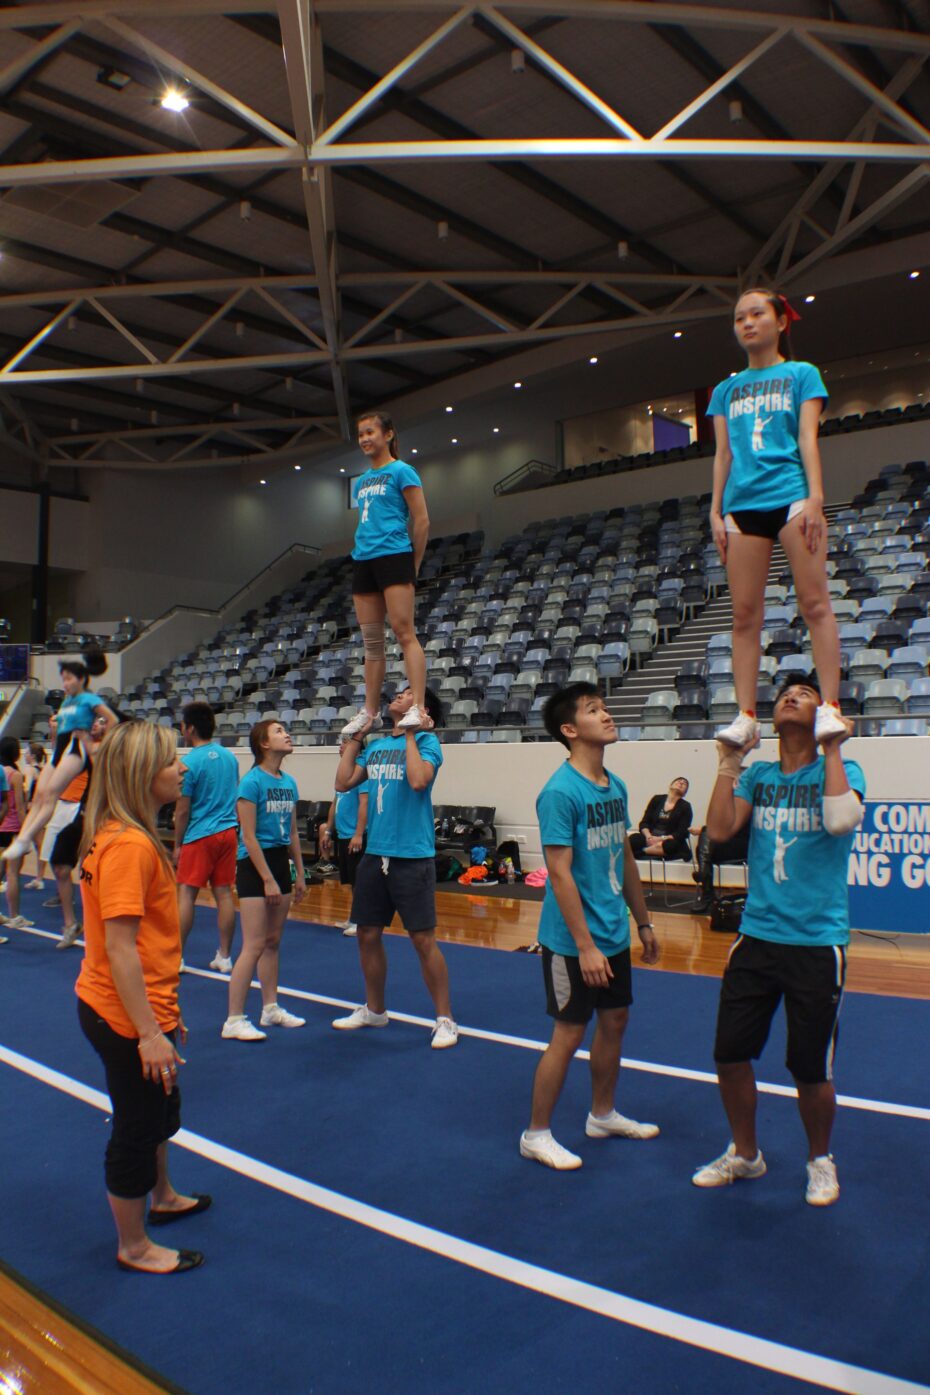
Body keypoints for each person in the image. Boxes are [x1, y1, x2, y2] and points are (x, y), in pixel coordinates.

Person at [692, 673, 865, 1207]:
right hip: (757, 937)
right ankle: (746, 1153)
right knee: (729, 1053)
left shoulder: (844, 769)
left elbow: (840, 822)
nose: (791, 696)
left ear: (822, 713)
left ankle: (820, 1160)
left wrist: (831, 743)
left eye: (805, 694)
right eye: (785, 693)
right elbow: (718, 831)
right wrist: (728, 761)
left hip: (816, 943)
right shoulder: (760, 775)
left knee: (810, 1068)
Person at [76, 721, 208, 1275]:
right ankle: (134, 1245)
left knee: (158, 1110)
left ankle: (164, 1195)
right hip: (123, 1012)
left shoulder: (122, 833)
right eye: (171, 762)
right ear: (140, 774)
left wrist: (163, 1016)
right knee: (137, 1124)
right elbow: (122, 949)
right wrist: (149, 1032)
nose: (183, 769)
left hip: (138, 1004)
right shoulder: (129, 844)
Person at [519, 683, 661, 1171]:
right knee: (569, 1033)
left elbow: (622, 858)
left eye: (604, 707)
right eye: (594, 710)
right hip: (571, 942)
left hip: (613, 932)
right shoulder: (559, 793)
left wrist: (641, 923)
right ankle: (536, 1134)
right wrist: (584, 946)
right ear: (569, 729)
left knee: (616, 1021)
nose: (607, 715)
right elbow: (558, 873)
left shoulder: (615, 786)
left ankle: (602, 1114)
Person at [708, 288, 846, 750]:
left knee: (815, 603)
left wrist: (815, 498)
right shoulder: (725, 390)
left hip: (790, 496)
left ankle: (830, 706)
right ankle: (746, 715)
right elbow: (723, 454)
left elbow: (808, 438)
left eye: (756, 314)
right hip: (740, 506)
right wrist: (715, 509)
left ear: (780, 321)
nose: (746, 323)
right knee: (744, 615)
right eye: (738, 317)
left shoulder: (802, 374)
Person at [331, 686, 458, 1048]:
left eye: (407, 695)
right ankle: (375, 1009)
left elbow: (419, 781)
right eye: (400, 693)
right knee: (367, 935)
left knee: (422, 939)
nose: (398, 696)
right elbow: (342, 782)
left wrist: (415, 733)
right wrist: (357, 738)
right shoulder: (375, 747)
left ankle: (445, 1018)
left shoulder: (429, 744)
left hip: (412, 856)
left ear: (422, 709)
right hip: (376, 854)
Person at [341, 411, 431, 739]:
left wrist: (414, 564)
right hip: (363, 559)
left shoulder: (402, 470)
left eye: (370, 432)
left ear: (388, 434)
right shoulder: (363, 481)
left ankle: (417, 706)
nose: (364, 438)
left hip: (394, 555)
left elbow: (422, 521)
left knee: (404, 631)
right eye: (360, 434)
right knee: (372, 641)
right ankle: (370, 713)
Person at [222, 720, 306, 1042]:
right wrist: (267, 879)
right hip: (254, 865)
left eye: (286, 729)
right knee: (254, 944)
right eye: (279, 731)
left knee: (273, 941)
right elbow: (249, 836)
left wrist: (298, 873)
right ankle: (234, 1018)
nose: (287, 734)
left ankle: (270, 1008)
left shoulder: (290, 783)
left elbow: (294, 833)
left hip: (279, 863)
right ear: (264, 744)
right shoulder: (251, 783)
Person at [3, 648, 117, 862]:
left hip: (76, 751)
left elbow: (112, 720)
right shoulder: (67, 702)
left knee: (50, 797)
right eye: (63, 680)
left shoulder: (89, 700)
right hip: (60, 752)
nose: (64, 684)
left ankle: (24, 840)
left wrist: (94, 745)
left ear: (81, 680)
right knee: (39, 796)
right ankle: (23, 839)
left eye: (69, 679)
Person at [173, 702, 240, 975]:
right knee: (223, 893)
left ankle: (176, 957)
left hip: (200, 835)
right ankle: (224, 956)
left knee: (186, 893)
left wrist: (177, 844)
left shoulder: (187, 763)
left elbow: (182, 810)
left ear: (189, 728)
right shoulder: (230, 758)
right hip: (228, 833)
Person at [48, 714, 109, 950]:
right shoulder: (84, 749)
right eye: (93, 721)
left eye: (101, 721)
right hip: (85, 814)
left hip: (108, 820)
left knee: (95, 871)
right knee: (61, 863)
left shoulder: (110, 747)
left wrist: (82, 735)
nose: (95, 725)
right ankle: (71, 923)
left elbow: (97, 758)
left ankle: (103, 923)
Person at [320, 752, 369, 936]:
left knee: (359, 882)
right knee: (349, 881)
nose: (341, 747)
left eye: (345, 744)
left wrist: (358, 834)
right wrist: (328, 830)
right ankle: (353, 917)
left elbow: (364, 804)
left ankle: (360, 921)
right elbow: (335, 804)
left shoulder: (361, 774)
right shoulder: (343, 774)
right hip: (342, 834)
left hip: (354, 836)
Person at [0, 737, 33, 931]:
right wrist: (25, 834)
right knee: (12, 874)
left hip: (1, 826)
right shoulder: (15, 775)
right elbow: (20, 808)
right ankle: (14, 916)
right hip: (12, 829)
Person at [690, 822, 750, 914]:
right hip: (728, 842)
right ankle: (704, 877)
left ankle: (706, 887)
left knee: (706, 834)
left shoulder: (747, 809)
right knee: (705, 841)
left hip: (744, 844)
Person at [628, 777, 693, 862]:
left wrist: (660, 839)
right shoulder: (657, 799)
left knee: (672, 845)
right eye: (678, 781)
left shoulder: (685, 806)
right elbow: (644, 822)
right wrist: (649, 837)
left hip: (667, 840)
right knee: (633, 839)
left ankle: (643, 852)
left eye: (684, 784)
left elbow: (681, 832)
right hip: (650, 837)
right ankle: (655, 850)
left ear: (685, 793)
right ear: (670, 786)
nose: (681, 783)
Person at [23, 741, 49, 891]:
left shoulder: (29, 769)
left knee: (37, 844)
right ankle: (39, 877)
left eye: (26, 753)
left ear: (32, 756)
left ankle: (39, 878)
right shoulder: (44, 769)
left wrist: (23, 805)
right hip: (42, 808)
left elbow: (26, 789)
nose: (25, 755)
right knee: (40, 845)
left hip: (32, 809)